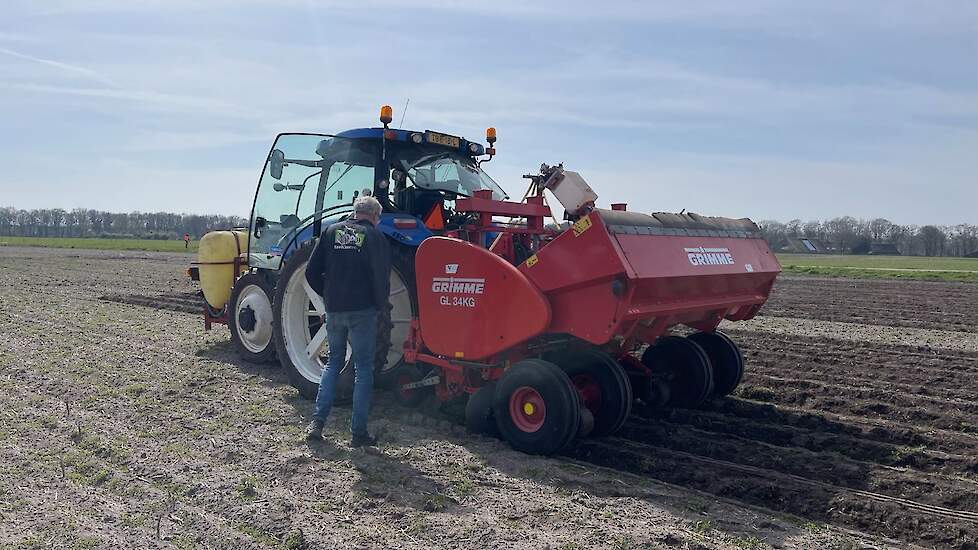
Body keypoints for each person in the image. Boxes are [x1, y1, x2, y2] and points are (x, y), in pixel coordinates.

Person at [304, 196, 391, 447]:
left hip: (335, 310)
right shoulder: (375, 237)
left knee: (333, 363)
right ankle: (358, 433)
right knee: (363, 368)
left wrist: (327, 297)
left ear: (355, 212)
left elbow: (311, 271)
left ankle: (317, 423)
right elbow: (381, 278)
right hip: (363, 311)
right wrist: (381, 306)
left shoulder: (331, 233)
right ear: (374, 216)